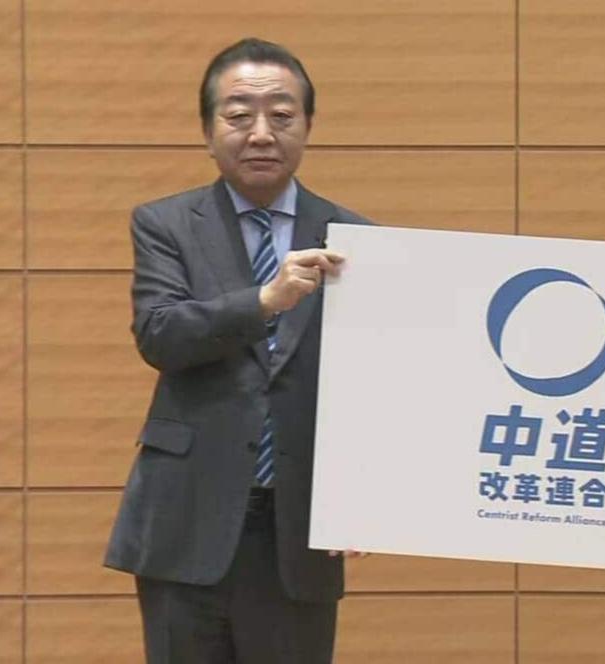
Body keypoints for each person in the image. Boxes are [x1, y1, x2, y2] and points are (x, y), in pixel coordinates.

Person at [105, 38, 370, 663]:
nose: (261, 133)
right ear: (208, 131)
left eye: (281, 115)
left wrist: (363, 493)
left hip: (298, 530)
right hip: (186, 519)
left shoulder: (357, 239)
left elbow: (372, 384)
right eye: (239, 115)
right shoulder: (166, 224)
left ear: (308, 126)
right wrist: (266, 300)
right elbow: (161, 335)